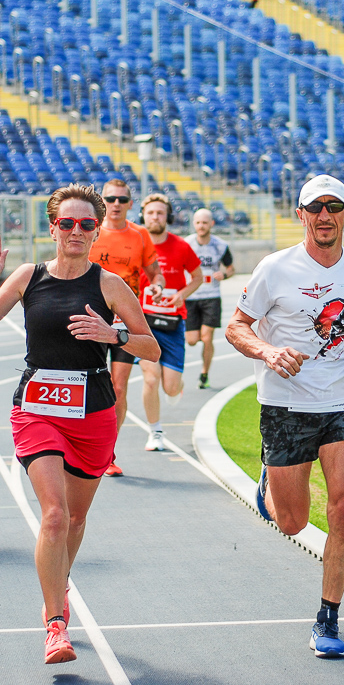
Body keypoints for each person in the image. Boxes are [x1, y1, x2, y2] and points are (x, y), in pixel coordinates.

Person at [0, 184, 160, 665]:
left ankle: (58, 581)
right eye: (67, 223)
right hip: (37, 408)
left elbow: (152, 348)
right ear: (53, 228)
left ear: (96, 231)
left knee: (74, 518)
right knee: (54, 514)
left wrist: (113, 335)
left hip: (93, 411)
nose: (76, 231)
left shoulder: (110, 285)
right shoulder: (28, 276)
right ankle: (56, 624)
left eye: (87, 224)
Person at [225, 174, 344, 660]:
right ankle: (269, 481)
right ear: (300, 215)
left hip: (342, 403)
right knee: (293, 523)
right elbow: (236, 327)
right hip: (285, 406)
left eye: (333, 207)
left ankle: (328, 617)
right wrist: (268, 351)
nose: (324, 215)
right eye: (314, 207)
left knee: (343, 507)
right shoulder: (275, 268)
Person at [88, 179, 165, 476]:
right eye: (111, 199)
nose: (116, 204)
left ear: (131, 204)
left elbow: (155, 273)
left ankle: (108, 454)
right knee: (87, 384)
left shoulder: (140, 234)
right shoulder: (90, 230)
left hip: (124, 321)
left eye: (122, 199)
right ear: (102, 202)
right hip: (91, 317)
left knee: (118, 388)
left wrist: (157, 287)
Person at [138, 193, 203, 451]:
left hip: (173, 321)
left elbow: (197, 277)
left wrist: (181, 295)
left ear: (168, 217)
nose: (155, 217)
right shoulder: (136, 243)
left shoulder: (181, 246)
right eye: (151, 213)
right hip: (142, 322)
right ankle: (155, 432)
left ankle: (177, 387)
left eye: (160, 213)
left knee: (171, 388)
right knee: (150, 378)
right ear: (143, 215)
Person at [184, 207, 235, 390]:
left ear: (211, 224)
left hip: (211, 296)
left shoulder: (220, 245)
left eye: (205, 223)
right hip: (191, 295)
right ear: (194, 224)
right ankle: (198, 335)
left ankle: (204, 373)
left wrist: (224, 275)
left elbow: (231, 269)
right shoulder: (187, 244)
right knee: (192, 340)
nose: (201, 226)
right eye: (198, 222)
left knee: (207, 337)